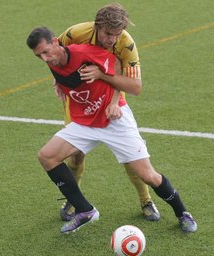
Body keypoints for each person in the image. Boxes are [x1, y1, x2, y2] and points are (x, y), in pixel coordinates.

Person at [26, 26, 198, 234]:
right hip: (86, 122)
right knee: (47, 156)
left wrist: (115, 100)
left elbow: (116, 64)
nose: (45, 59)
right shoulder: (54, 62)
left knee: (148, 175)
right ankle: (84, 210)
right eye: (39, 56)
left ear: (56, 42)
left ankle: (183, 213)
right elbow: (67, 77)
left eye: (46, 52)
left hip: (114, 120)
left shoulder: (84, 52)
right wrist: (60, 85)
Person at [55, 3, 160, 222]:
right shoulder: (75, 33)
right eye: (107, 34)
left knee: (130, 155)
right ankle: (74, 200)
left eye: (117, 34)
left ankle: (146, 199)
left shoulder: (126, 44)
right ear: (97, 27)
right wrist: (58, 80)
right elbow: (55, 54)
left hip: (112, 97)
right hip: (80, 100)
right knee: (75, 153)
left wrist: (102, 77)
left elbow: (135, 86)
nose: (112, 39)